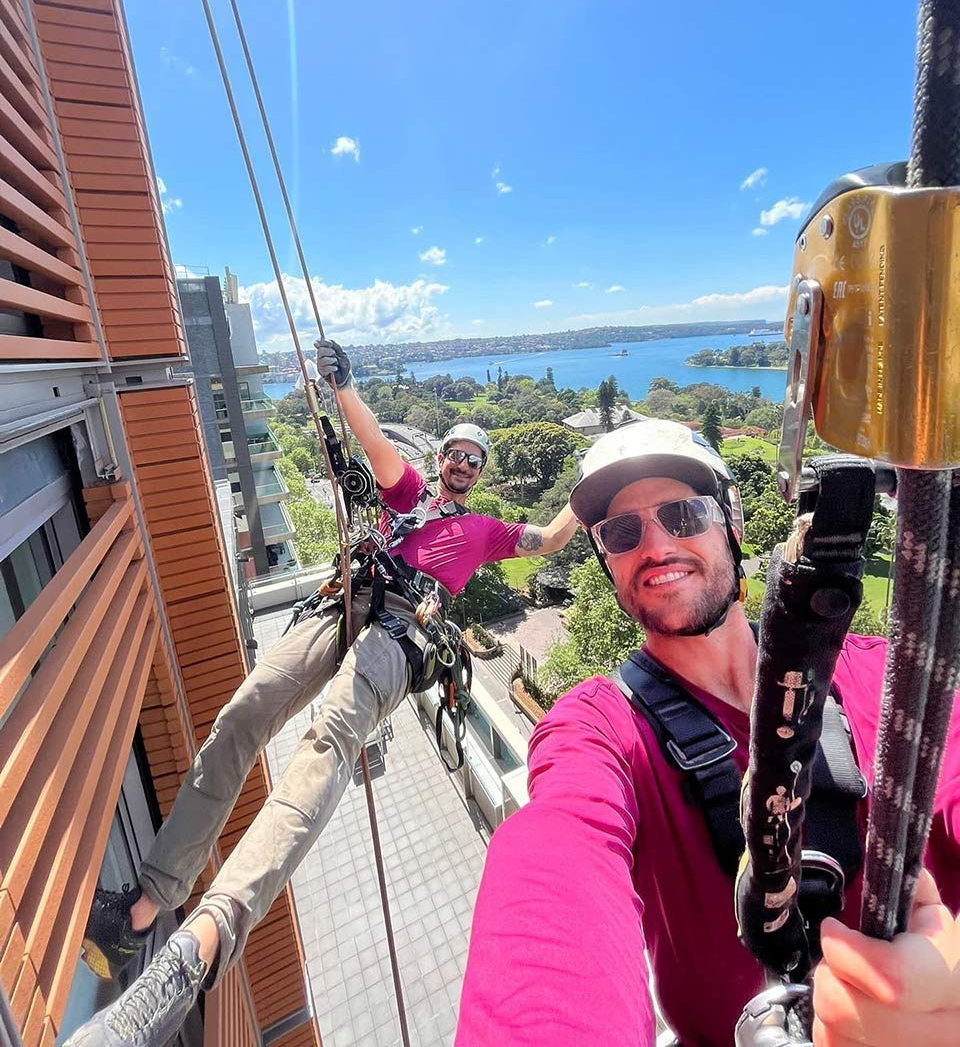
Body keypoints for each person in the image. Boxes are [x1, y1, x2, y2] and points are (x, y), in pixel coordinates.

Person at [67, 338, 580, 1047]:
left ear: (479, 475)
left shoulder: (484, 532)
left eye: (474, 459)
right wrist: (342, 387)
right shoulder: (408, 497)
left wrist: (595, 489)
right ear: (441, 462)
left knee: (329, 740)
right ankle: (147, 908)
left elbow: (550, 538)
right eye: (456, 453)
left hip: (399, 633)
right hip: (348, 601)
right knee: (244, 712)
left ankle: (198, 949)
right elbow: (373, 444)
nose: (462, 463)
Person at [456, 419, 960, 1046]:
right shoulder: (599, 729)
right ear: (606, 558)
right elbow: (556, 855)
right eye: (621, 531)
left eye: (684, 513)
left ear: (733, 523)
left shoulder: (884, 676)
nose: (656, 544)